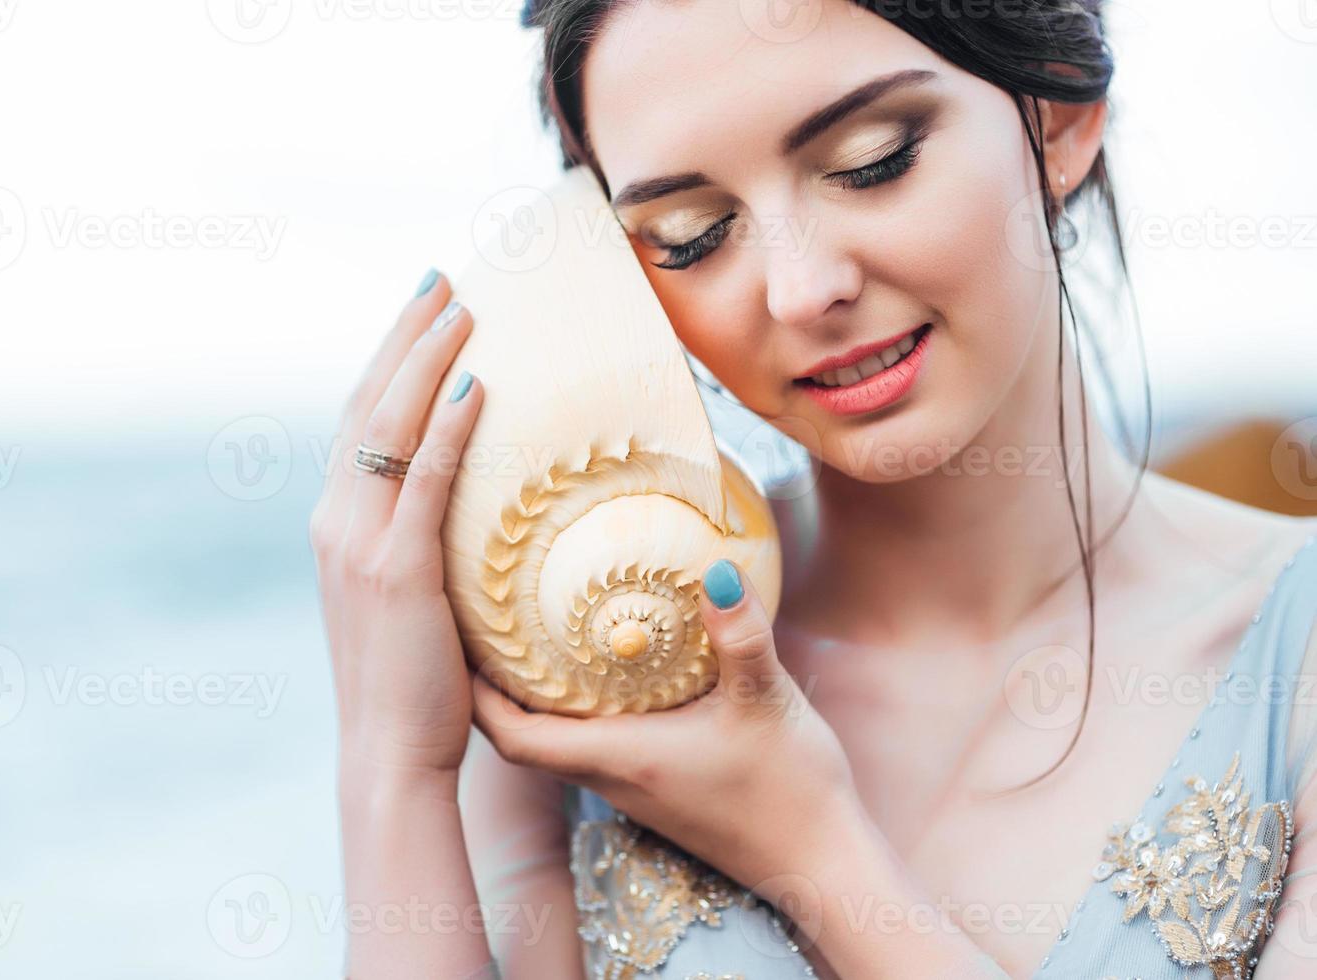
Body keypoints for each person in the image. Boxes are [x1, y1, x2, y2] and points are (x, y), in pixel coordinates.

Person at [311, 1, 1317, 976]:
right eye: (694, 233)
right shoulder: (591, 676)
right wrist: (395, 762)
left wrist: (812, 843)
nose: (799, 291)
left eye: (869, 162)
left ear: (1058, 115)